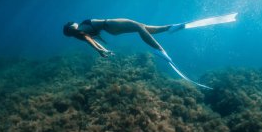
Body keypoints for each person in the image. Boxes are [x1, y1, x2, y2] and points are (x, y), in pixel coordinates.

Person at [63, 13, 237, 89]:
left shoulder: (80, 32)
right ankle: (160, 50)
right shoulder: (80, 30)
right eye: (72, 24)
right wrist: (101, 50)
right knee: (140, 27)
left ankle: (170, 28)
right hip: (110, 24)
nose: (75, 23)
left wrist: (102, 51)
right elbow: (89, 39)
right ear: (71, 27)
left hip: (110, 29)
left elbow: (90, 40)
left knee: (146, 28)